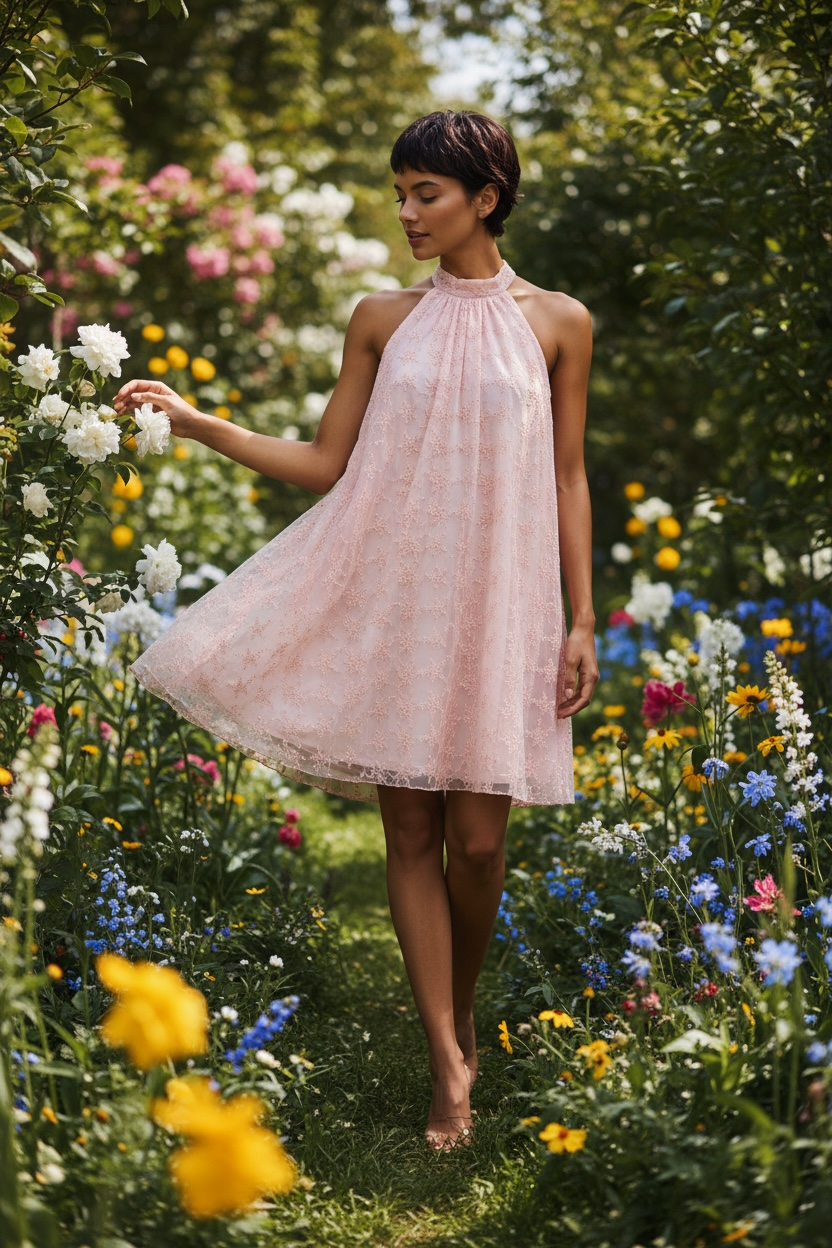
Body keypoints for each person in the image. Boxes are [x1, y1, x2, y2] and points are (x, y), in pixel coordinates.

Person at [113, 109, 598, 1151]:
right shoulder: (380, 318)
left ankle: (461, 1009)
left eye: (427, 194)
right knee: (412, 832)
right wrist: (199, 424)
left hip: (506, 606)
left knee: (480, 841)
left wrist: (581, 616)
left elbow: (566, 474)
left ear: (486, 197)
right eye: (401, 193)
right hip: (400, 600)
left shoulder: (559, 321)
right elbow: (326, 465)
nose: (409, 213)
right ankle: (446, 1068)